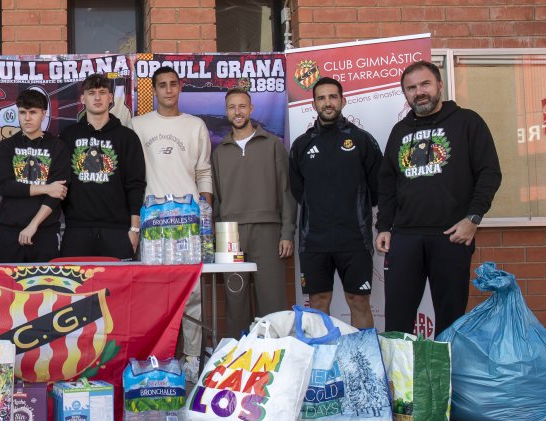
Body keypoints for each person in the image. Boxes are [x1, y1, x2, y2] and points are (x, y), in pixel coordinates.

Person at [377, 60, 502, 336]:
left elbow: (489, 174)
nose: (418, 92)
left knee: (451, 317)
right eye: (411, 88)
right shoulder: (400, 131)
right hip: (405, 237)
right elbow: (387, 183)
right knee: (397, 318)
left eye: (425, 84)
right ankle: (401, 379)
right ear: (405, 94)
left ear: (439, 86)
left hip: (451, 235)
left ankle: (447, 378)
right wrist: (384, 225)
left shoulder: (467, 122)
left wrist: (473, 219)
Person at [131, 66, 213, 380]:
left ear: (180, 88)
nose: (168, 90)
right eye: (162, 85)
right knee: (152, 293)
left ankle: (192, 358)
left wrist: (205, 208)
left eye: (173, 85)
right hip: (153, 222)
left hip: (189, 221)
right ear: (154, 90)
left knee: (192, 293)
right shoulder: (138, 125)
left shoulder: (196, 125)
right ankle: (157, 357)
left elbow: (203, 170)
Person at [288, 77, 381, 330]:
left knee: (358, 301)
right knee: (318, 301)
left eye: (332, 97)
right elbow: (299, 191)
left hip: (354, 239)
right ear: (313, 104)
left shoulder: (362, 140)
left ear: (343, 100)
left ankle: (363, 364)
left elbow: (378, 187)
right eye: (321, 98)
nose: (327, 103)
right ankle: (323, 361)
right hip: (314, 241)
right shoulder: (301, 145)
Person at [212, 87, 296, 338]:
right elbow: (216, 199)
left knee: (271, 301)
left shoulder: (272, 145)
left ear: (251, 109)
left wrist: (287, 232)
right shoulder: (219, 152)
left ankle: (274, 357)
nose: (237, 112)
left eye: (242, 106)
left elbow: (286, 191)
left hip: (267, 230)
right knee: (235, 301)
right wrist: (216, 238)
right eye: (232, 107)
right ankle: (237, 358)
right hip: (231, 235)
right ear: (226, 112)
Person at [59, 74, 146, 260]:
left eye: (102, 92)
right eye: (91, 93)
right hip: (77, 229)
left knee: (118, 289)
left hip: (117, 230)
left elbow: (135, 185)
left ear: (111, 97)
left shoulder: (127, 137)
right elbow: (61, 183)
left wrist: (135, 229)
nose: (97, 98)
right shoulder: (68, 136)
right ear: (83, 99)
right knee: (74, 288)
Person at [0, 89, 71, 263]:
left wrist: (33, 225)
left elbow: (57, 195)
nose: (27, 118)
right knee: (8, 287)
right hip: (10, 230)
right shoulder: (6, 147)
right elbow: (4, 186)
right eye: (22, 112)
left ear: (43, 114)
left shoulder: (58, 147)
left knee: (47, 287)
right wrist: (46, 188)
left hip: (45, 231)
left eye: (33, 112)